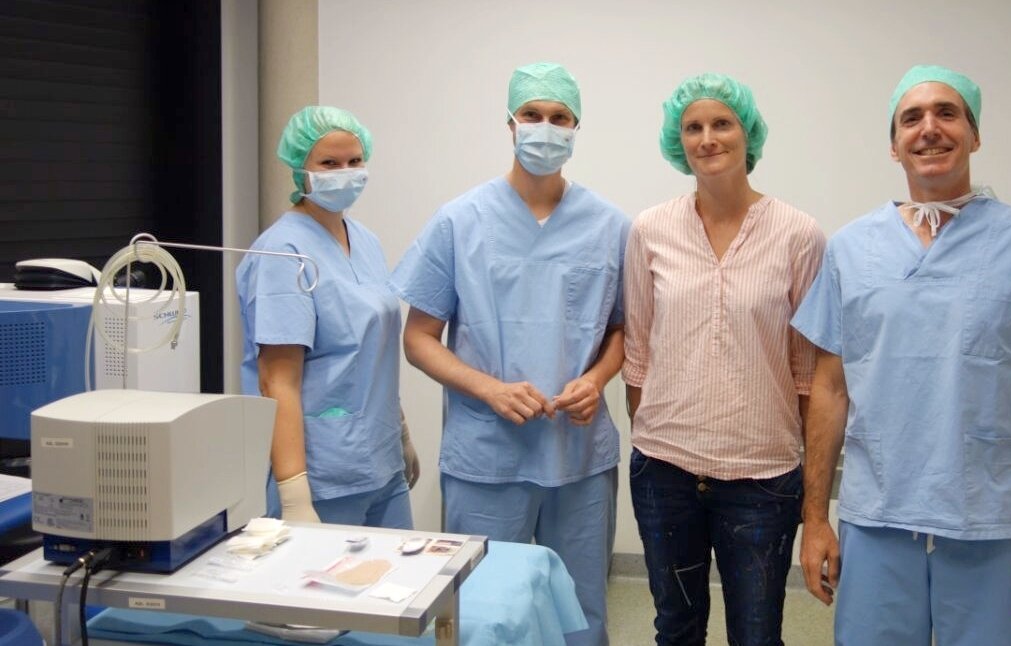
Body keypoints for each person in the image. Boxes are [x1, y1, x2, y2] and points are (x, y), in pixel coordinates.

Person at [791, 65, 1011, 645]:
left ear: (975, 134)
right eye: (911, 118)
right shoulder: (850, 250)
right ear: (893, 146)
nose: (929, 128)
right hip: (877, 522)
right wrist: (815, 518)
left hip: (991, 527)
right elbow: (830, 391)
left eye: (948, 113)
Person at [389, 62, 630, 646]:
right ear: (510, 124)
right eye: (532, 115)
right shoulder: (460, 221)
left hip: (577, 455)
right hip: (487, 457)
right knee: (479, 611)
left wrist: (596, 378)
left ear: (576, 128)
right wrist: (489, 389)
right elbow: (418, 338)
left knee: (580, 611)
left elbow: (622, 330)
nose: (544, 127)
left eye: (559, 118)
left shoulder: (610, 225)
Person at [623, 73, 825, 646]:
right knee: (675, 628)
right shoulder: (650, 230)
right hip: (664, 469)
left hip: (763, 476)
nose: (707, 137)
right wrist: (655, 434)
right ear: (677, 141)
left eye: (721, 123)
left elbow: (808, 373)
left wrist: (814, 487)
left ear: (748, 133)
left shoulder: (799, 235)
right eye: (692, 127)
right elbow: (638, 353)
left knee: (757, 635)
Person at [237, 105, 419, 528]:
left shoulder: (365, 240)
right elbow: (277, 380)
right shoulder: (283, 253)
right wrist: (296, 496)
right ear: (300, 170)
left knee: (400, 588)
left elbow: (374, 353)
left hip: (381, 457)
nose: (345, 172)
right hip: (323, 474)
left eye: (355, 162)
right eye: (329, 163)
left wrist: (401, 433)